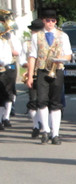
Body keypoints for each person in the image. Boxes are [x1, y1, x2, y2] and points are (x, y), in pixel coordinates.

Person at [25, 8, 72, 145]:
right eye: (47, 20)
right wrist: (29, 76)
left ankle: (55, 133)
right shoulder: (36, 36)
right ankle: (45, 130)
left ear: (55, 21)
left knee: (56, 102)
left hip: (57, 70)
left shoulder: (63, 36)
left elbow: (68, 55)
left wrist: (60, 58)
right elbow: (32, 56)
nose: (50, 23)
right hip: (42, 70)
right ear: (43, 21)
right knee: (41, 101)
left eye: (53, 20)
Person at [21, 19, 44, 137]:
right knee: (33, 100)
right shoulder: (27, 44)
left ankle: (45, 125)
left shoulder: (46, 42)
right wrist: (30, 64)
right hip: (33, 74)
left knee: (44, 101)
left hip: (45, 74)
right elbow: (21, 61)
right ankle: (35, 125)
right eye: (34, 31)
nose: (35, 33)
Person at [0, 11, 19, 130]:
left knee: (9, 91)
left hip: (10, 66)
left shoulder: (10, 36)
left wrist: (9, 38)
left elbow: (17, 51)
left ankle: (6, 117)